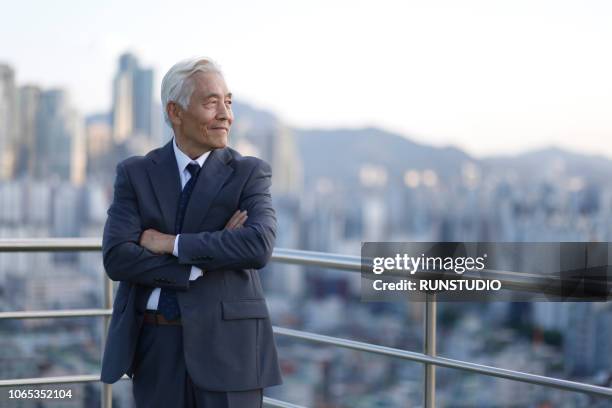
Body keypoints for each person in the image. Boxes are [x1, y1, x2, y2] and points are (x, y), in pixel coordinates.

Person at [100, 57, 283, 408]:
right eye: (211, 102)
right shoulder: (135, 173)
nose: (225, 114)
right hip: (155, 345)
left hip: (230, 350)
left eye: (228, 102)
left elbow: (258, 245)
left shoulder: (249, 173)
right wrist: (200, 263)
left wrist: (169, 244)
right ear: (176, 112)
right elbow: (117, 257)